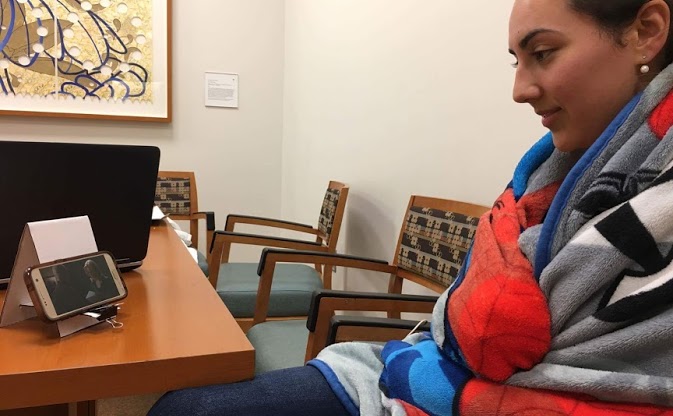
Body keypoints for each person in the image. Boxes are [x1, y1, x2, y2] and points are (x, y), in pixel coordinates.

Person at [149, 0, 673, 415]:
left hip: (448, 383)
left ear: (646, 31)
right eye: (517, 60)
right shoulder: (545, 176)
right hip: (431, 367)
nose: (519, 89)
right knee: (179, 405)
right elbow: (474, 318)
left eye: (544, 52)